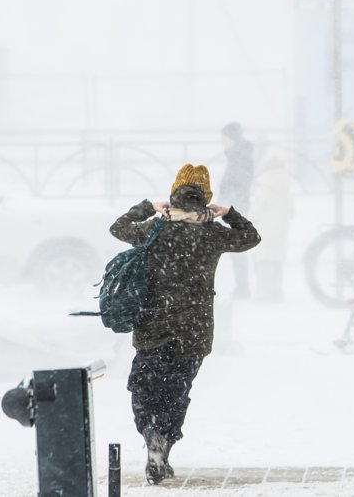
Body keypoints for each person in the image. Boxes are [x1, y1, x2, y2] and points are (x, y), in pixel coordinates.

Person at [109, 163, 260, 484]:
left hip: (153, 325)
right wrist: (229, 213)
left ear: (172, 196)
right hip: (194, 329)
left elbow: (118, 227)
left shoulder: (154, 229)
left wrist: (147, 207)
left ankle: (151, 434)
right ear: (206, 199)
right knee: (177, 391)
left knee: (145, 388)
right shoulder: (211, 233)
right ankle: (165, 443)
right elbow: (250, 238)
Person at [249, 156, 295, 301]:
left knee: (264, 262)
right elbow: (291, 211)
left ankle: (262, 294)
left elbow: (257, 209)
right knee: (276, 261)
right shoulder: (286, 187)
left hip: (265, 228)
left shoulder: (265, 186)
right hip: (281, 230)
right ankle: (276, 293)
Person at [218, 122, 255, 297]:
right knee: (236, 249)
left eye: (224, 138)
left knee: (237, 250)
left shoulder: (239, 157)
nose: (222, 142)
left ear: (232, 138)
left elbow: (239, 184)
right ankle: (242, 287)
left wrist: (230, 207)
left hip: (234, 208)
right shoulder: (238, 155)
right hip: (234, 207)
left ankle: (243, 287)